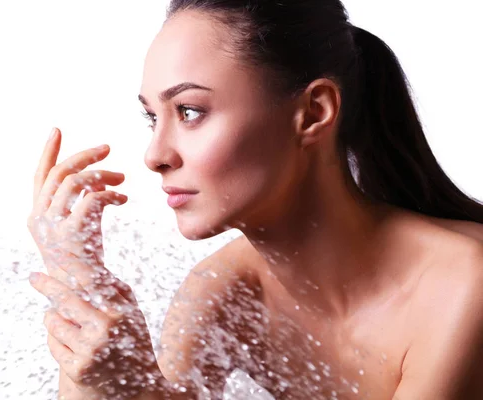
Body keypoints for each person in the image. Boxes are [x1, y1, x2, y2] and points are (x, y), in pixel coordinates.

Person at [27, 1, 483, 399]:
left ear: (313, 112)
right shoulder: (225, 294)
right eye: (152, 118)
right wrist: (84, 294)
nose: (155, 155)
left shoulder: (464, 288)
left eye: (190, 111)